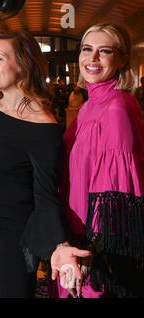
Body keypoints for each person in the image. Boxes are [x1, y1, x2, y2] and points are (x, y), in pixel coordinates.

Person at [0, 31, 90, 298]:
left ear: (22, 64)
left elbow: (45, 194)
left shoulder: (42, 126)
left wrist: (60, 244)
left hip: (8, 238)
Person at [60, 23, 144, 298]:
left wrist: (89, 254)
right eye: (87, 49)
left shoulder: (117, 106)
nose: (92, 58)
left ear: (121, 59)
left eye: (104, 51)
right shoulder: (87, 107)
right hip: (77, 241)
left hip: (95, 252)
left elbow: (116, 198)